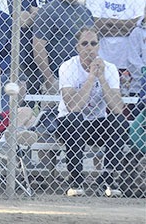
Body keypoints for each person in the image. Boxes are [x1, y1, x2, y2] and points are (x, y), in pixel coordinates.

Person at [55, 26, 129, 197]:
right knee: (75, 118)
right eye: (85, 43)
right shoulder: (68, 67)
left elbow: (117, 108)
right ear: (77, 47)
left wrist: (101, 77)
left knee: (120, 122)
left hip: (96, 124)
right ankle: (76, 180)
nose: (89, 48)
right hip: (69, 124)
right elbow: (73, 107)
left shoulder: (109, 68)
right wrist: (90, 78)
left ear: (99, 46)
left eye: (93, 43)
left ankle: (107, 180)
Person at [86, 0, 146, 117]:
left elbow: (137, 26)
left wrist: (108, 24)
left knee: (127, 106)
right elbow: (95, 26)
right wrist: (125, 24)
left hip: (129, 63)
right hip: (101, 60)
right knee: (101, 103)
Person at [7, 0, 59, 100]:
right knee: (26, 102)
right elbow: (23, 21)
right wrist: (48, 13)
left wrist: (34, 12)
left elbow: (60, 21)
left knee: (50, 105)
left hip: (51, 55)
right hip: (26, 54)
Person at [32, 0, 94, 94]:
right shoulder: (48, 11)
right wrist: (49, 80)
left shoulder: (86, 13)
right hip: (57, 78)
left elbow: (92, 45)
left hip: (82, 78)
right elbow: (38, 47)